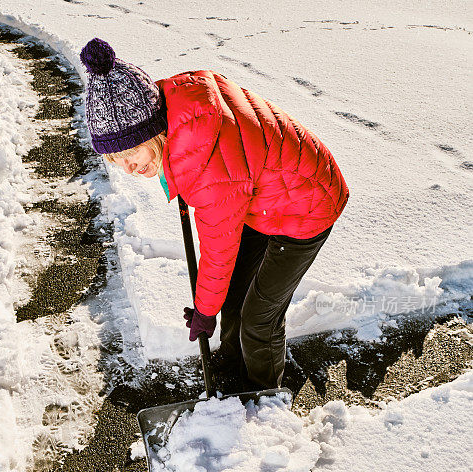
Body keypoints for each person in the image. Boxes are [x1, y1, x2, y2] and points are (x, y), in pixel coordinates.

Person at [80, 38, 349, 391]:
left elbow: (219, 247)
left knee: (259, 318)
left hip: (307, 202)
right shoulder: (174, 114)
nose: (128, 168)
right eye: (116, 159)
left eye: (131, 153)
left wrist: (205, 311)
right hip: (262, 196)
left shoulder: (206, 162)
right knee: (235, 297)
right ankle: (232, 365)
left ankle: (264, 396)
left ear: (152, 132)